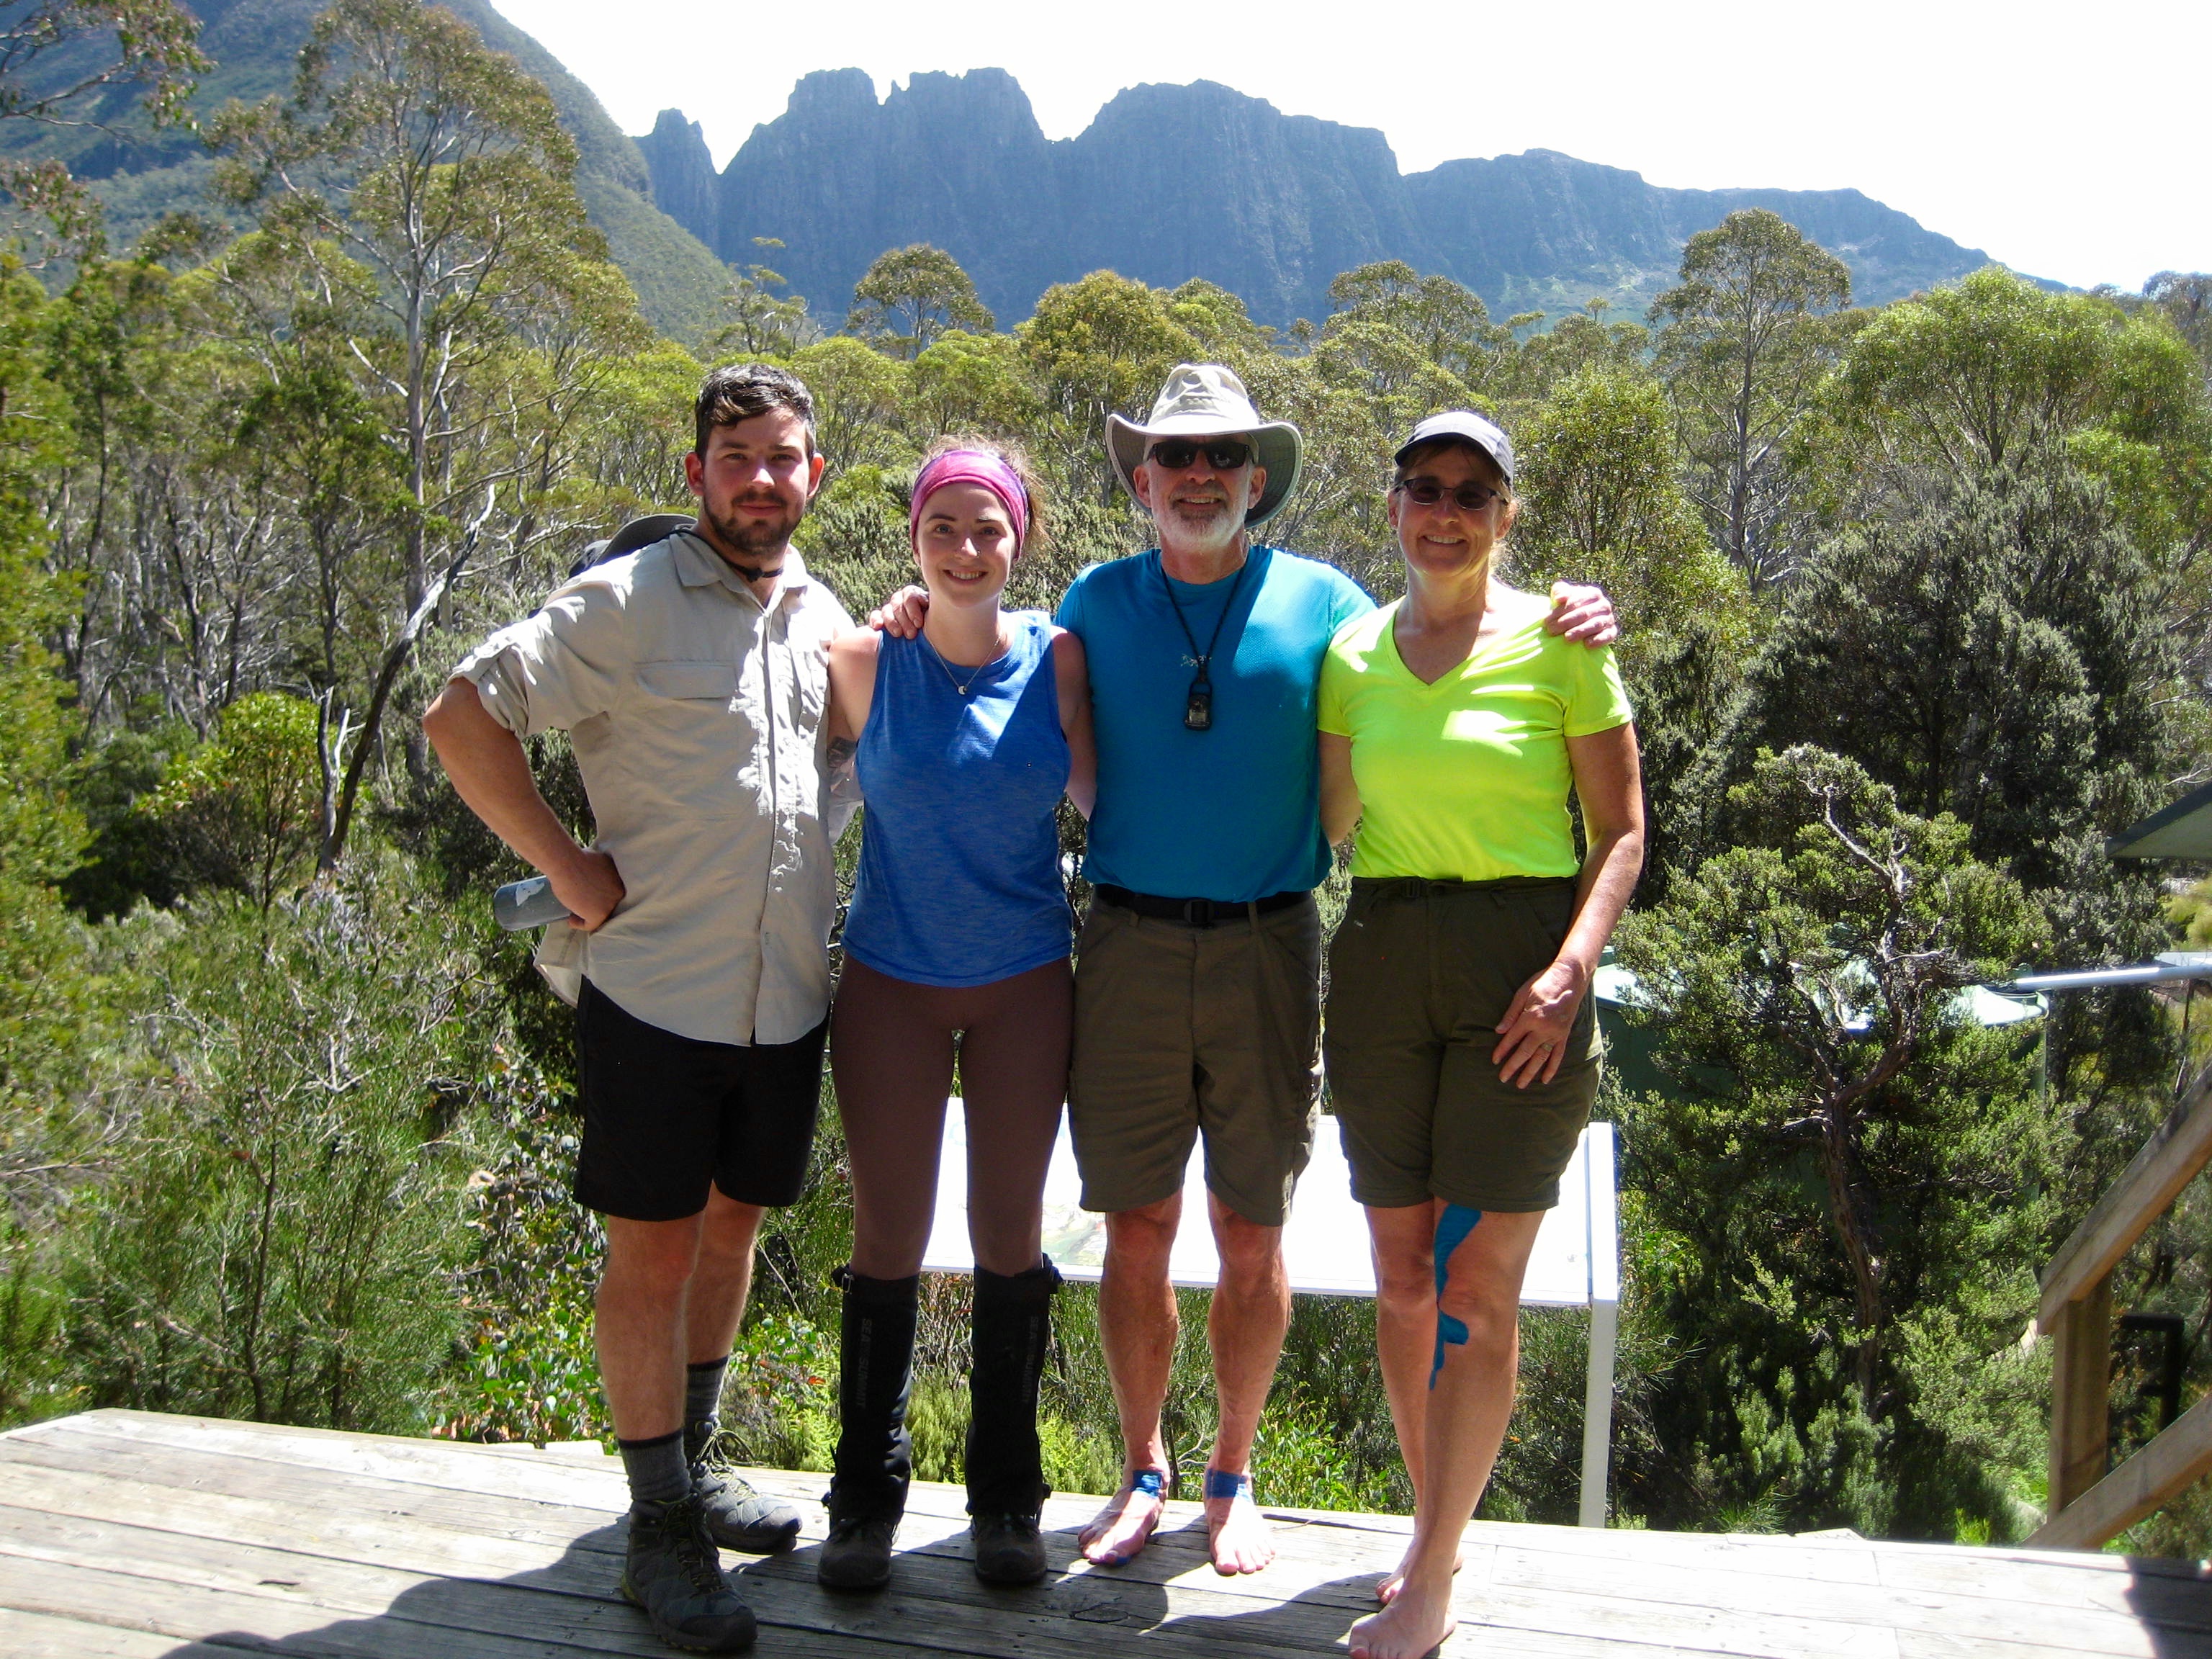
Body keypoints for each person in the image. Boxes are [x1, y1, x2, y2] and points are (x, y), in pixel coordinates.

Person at [1046, 366, 1618, 1577]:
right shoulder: (1089, 605)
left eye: (1223, 459)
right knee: (1135, 1223)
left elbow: (1454, 627)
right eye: (1175, 458)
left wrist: (1576, 610)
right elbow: (990, 666)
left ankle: (1230, 1475)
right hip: (1128, 945)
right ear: (1141, 478)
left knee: (1253, 1230)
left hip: (1272, 943)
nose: (1198, 478)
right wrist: (894, 611)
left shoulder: (1332, 609)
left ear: (1259, 480)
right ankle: (1141, 1466)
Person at [423, 364, 852, 1654]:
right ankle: (655, 1523)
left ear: (813, 477)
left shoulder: (822, 612)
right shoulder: (626, 601)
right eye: (739, 459)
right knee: (652, 1251)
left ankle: (699, 1464)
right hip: (656, 994)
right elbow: (460, 716)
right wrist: (567, 870)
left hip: (783, 1000)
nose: (763, 479)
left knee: (732, 1235)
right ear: (698, 475)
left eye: (785, 459)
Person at [1316, 411, 1644, 1659]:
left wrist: (1571, 969)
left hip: (1527, 970)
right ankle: (1430, 1527)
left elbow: (1621, 830)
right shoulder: (1350, 654)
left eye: (1471, 492)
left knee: (1478, 1287)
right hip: (1386, 959)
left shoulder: (1564, 646)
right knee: (1402, 1279)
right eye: (1422, 488)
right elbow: (1333, 817)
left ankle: (1436, 1584)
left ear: (1506, 517)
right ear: (1394, 507)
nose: (1443, 510)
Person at [814, 440, 1096, 1593]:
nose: (968, 549)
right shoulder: (863, 659)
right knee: (885, 1239)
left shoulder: (1061, 659)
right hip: (890, 982)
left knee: (1008, 1238)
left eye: (989, 529)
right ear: (916, 540)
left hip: (1027, 979)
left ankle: (1005, 1500)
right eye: (946, 529)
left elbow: (1108, 793)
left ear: (1020, 538)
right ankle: (865, 1503)